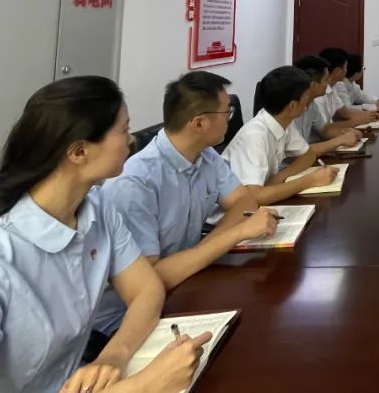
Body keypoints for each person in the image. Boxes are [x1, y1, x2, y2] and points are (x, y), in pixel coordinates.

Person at [0, 76, 210, 393]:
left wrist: (113, 358)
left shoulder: (96, 209)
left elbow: (147, 290)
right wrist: (145, 386)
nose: (131, 140)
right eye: (123, 130)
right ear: (79, 152)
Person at [92, 72, 280, 342]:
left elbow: (244, 200)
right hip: (125, 322)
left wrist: (207, 248)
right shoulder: (135, 183)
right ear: (199, 122)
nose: (230, 119)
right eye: (226, 112)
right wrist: (234, 235)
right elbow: (152, 279)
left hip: (187, 283)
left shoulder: (205, 155)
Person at [223, 66, 339, 200]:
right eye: (307, 96)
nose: (309, 101)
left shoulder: (283, 122)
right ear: (293, 106)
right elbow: (254, 197)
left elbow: (308, 155)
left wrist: (277, 179)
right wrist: (310, 180)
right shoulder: (254, 136)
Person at [292, 55, 365, 152]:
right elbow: (298, 151)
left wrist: (345, 132)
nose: (328, 84)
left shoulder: (311, 104)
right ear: (313, 85)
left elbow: (324, 129)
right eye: (325, 80)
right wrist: (339, 141)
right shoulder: (291, 109)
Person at [317, 47, 379, 127]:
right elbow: (324, 129)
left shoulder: (332, 89)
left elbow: (345, 113)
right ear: (337, 71)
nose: (347, 71)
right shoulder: (320, 94)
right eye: (345, 67)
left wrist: (371, 115)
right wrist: (362, 119)